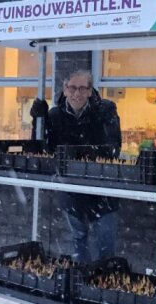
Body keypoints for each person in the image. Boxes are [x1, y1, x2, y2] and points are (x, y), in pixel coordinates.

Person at [30, 69, 122, 263]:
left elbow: (114, 148)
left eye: (82, 88)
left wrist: (83, 154)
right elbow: (43, 150)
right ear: (64, 89)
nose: (76, 93)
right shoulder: (55, 115)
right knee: (79, 240)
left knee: (106, 244)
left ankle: (103, 283)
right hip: (71, 189)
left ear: (90, 91)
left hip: (102, 189)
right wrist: (38, 121)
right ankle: (82, 283)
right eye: (72, 88)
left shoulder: (104, 111)